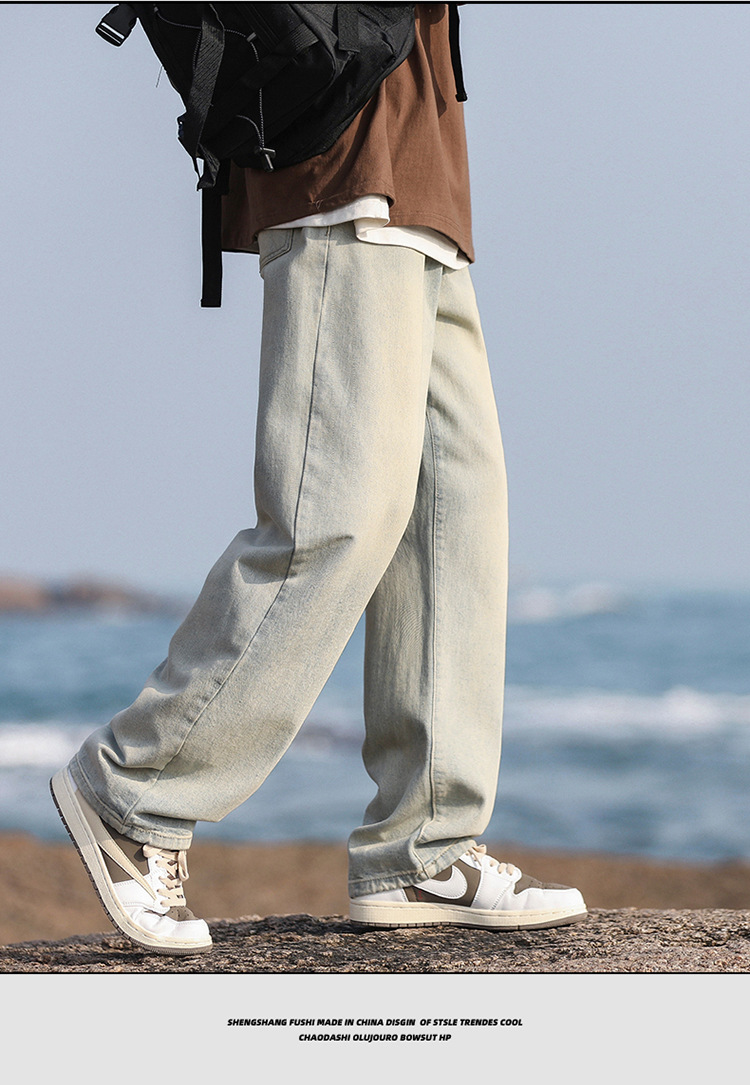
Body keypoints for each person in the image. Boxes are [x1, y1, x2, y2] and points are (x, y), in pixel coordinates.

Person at [51, 3, 587, 956]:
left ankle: (423, 847)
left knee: (454, 519)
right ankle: (134, 790)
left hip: (424, 175)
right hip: (345, 161)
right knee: (337, 510)